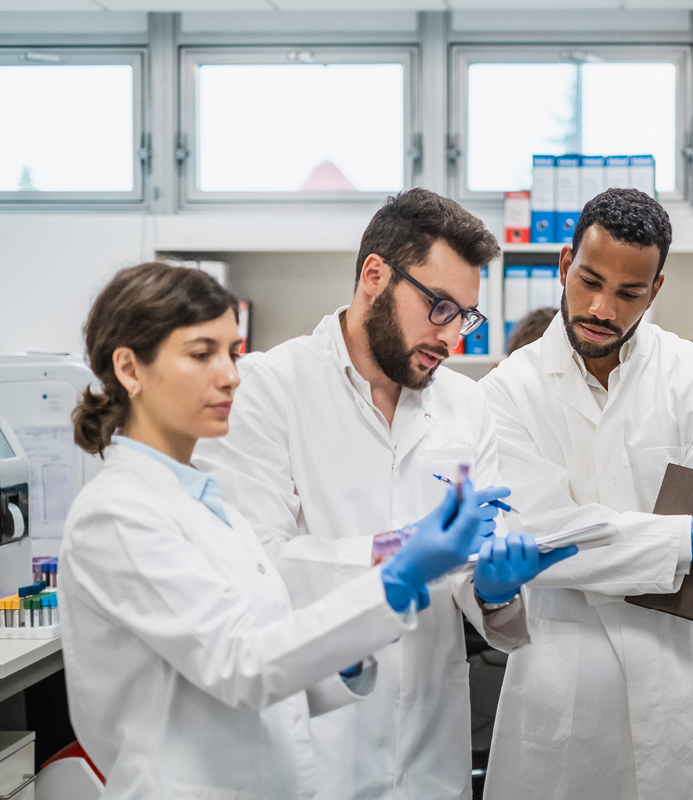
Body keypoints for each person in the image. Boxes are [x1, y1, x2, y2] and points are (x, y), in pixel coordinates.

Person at [59, 262, 494, 799]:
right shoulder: (118, 514)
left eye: (232, 352)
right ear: (129, 368)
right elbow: (242, 665)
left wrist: (348, 663)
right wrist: (396, 576)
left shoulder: (206, 504)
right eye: (201, 355)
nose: (230, 376)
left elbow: (268, 658)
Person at [193, 188, 574, 800]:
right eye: (440, 307)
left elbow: (473, 589)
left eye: (466, 316)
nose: (454, 339)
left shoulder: (466, 404)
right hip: (316, 749)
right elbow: (254, 571)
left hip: (429, 753)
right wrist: (394, 554)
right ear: (375, 275)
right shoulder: (267, 389)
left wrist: (495, 589)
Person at [480, 188, 693, 800]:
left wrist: (595, 548)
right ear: (564, 265)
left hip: (685, 683)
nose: (601, 307)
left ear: (657, 289)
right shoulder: (507, 392)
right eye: (588, 281)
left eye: (628, 293)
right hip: (565, 686)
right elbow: (538, 536)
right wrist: (685, 539)